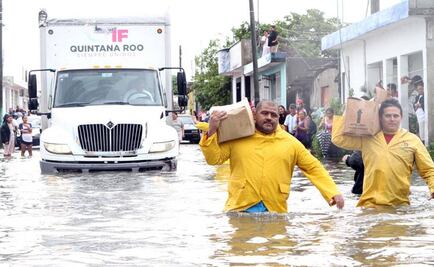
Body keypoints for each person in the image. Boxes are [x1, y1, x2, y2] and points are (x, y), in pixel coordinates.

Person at [200, 100, 344, 213]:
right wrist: (212, 129)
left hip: (275, 209)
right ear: (255, 114)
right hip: (240, 208)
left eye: (273, 115)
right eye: (264, 113)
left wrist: (332, 191)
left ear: (278, 117)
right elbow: (214, 159)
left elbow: (314, 168)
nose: (269, 118)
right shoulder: (238, 137)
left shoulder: (291, 143)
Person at [332, 98, 434, 207]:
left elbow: (428, 169)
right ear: (380, 118)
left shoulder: (412, 140)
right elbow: (338, 139)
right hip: (369, 205)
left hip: (400, 205)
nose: (392, 119)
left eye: (396, 116)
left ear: (401, 117)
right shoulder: (368, 138)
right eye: (388, 116)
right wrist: (348, 111)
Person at [412, 76, 425, 144]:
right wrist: (416, 106)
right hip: (419, 117)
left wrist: (420, 105)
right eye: (419, 89)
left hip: (424, 117)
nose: (420, 90)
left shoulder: (426, 96)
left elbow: (425, 105)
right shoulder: (417, 96)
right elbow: (414, 105)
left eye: (421, 89)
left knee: (424, 131)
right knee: (420, 130)